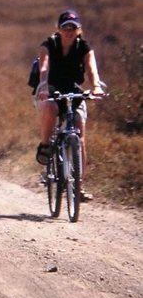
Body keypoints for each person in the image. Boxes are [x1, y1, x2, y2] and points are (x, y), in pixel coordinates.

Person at [34, 10, 105, 201]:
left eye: (73, 27)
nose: (69, 31)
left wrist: (96, 87)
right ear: (59, 28)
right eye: (65, 27)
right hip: (50, 89)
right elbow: (44, 68)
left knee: (80, 137)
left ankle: (78, 187)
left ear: (78, 30)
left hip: (74, 91)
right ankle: (46, 145)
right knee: (50, 109)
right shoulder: (49, 45)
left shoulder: (84, 47)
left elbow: (91, 69)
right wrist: (43, 87)